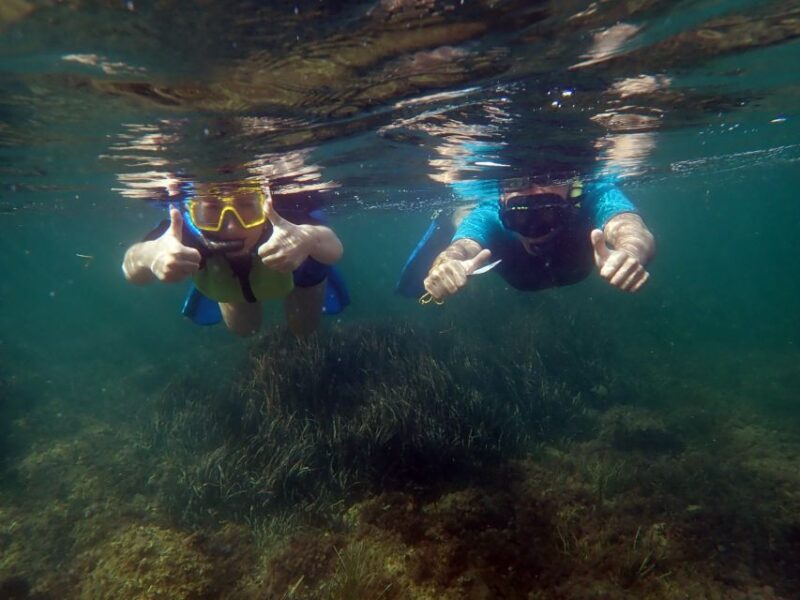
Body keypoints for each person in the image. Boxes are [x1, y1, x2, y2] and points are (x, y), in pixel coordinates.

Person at [122, 181, 345, 337]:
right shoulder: (183, 234)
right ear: (192, 212)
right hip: (226, 273)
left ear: (264, 203)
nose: (231, 227)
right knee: (245, 330)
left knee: (304, 330)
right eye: (211, 210)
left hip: (303, 264)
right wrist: (150, 256)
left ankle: (315, 283)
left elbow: (334, 247)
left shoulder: (285, 223)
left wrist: (309, 240)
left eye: (248, 206)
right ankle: (231, 284)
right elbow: (131, 269)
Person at [419, 176, 655, 302]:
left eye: (549, 214)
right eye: (518, 218)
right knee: (465, 217)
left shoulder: (593, 194)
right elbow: (462, 247)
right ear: (502, 200)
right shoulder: (490, 213)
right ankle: (452, 216)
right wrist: (447, 264)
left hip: (524, 278)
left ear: (574, 190)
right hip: (547, 274)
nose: (536, 232)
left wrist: (631, 252)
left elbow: (629, 226)